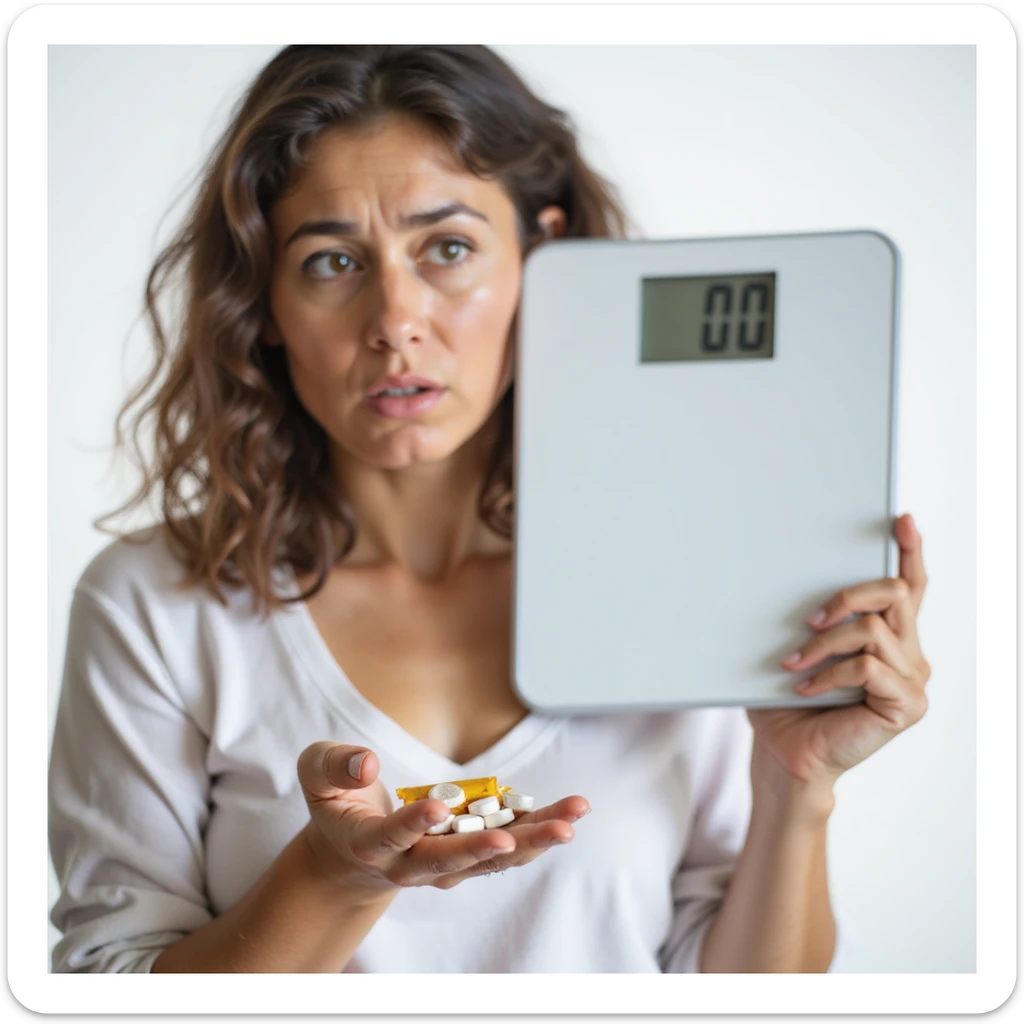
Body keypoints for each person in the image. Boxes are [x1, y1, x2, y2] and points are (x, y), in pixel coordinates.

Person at [48, 44, 932, 974]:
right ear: (263, 301)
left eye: (450, 247)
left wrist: (798, 784)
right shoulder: (154, 605)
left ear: (543, 261)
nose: (395, 318)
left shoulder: (676, 576)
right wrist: (331, 879)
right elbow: (108, 980)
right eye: (332, 260)